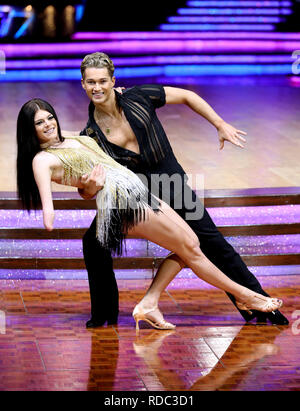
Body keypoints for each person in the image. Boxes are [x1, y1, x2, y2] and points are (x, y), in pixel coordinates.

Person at [16, 98, 283, 332]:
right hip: (123, 204)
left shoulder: (72, 138)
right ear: (30, 130)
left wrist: (116, 96)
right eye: (40, 123)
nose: (49, 124)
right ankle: (248, 296)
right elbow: (49, 212)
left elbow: (96, 134)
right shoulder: (42, 160)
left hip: (140, 193)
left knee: (192, 245)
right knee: (191, 249)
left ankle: (150, 303)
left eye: (50, 117)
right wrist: (79, 192)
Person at [74, 52, 288, 328]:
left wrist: (219, 123)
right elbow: (86, 189)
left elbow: (188, 96)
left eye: (102, 81)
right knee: (93, 242)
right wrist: (88, 190)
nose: (97, 88)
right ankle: (104, 314)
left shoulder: (139, 96)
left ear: (113, 80)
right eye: (91, 82)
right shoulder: (88, 136)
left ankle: (260, 306)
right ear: (82, 84)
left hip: (171, 183)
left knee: (215, 245)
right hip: (137, 197)